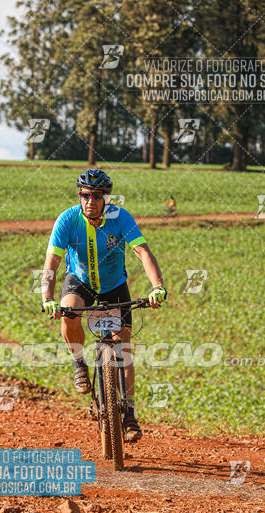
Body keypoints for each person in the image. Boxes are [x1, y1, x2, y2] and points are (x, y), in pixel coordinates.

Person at [42, 169, 167, 442]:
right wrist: (47, 298)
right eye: (85, 195)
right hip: (80, 281)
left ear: (105, 198)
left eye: (97, 196)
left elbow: (141, 250)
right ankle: (78, 361)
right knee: (69, 310)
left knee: (124, 347)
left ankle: (130, 415)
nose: (90, 200)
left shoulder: (119, 218)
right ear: (79, 196)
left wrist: (157, 286)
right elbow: (52, 262)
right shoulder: (67, 220)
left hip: (113, 287)